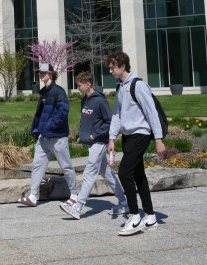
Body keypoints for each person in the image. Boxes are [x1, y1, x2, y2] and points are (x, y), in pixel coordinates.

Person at [107, 51, 167, 236]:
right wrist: (111, 138)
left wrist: (158, 139)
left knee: (124, 173)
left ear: (123, 66)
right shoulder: (120, 87)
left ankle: (134, 217)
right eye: (109, 68)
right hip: (128, 136)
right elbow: (117, 114)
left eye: (113, 67)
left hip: (141, 134)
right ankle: (150, 216)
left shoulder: (138, 85)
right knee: (139, 175)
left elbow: (151, 112)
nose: (110, 71)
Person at [60, 70, 128, 220]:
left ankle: (77, 207)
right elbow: (85, 120)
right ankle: (124, 203)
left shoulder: (100, 101)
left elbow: (110, 122)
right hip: (90, 143)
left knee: (89, 173)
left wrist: (95, 135)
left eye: (80, 85)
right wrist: (82, 134)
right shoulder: (84, 100)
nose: (78, 88)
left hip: (99, 142)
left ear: (88, 84)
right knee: (107, 174)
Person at [18, 62, 80, 207]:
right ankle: (33, 196)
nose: (41, 75)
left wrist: (48, 126)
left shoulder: (58, 91)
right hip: (43, 137)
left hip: (57, 137)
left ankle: (75, 195)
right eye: (40, 72)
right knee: (37, 165)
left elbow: (63, 113)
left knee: (66, 167)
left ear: (51, 74)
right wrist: (37, 129)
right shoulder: (44, 92)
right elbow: (40, 114)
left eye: (44, 73)